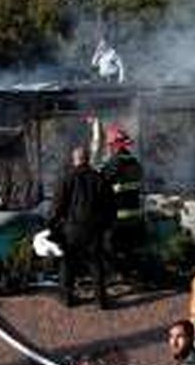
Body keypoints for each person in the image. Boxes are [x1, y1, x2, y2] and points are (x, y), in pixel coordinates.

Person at [50, 146, 116, 308]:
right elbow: (110, 206)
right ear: (88, 159)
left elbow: (58, 205)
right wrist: (106, 226)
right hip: (94, 229)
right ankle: (101, 300)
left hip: (71, 229)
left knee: (68, 263)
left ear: (75, 160)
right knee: (96, 263)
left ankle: (67, 298)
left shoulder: (66, 178)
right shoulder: (100, 179)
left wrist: (52, 225)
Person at [102, 124, 145, 282]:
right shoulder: (135, 163)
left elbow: (102, 183)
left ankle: (116, 275)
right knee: (130, 248)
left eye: (110, 145)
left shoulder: (114, 163)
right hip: (135, 213)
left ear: (115, 146)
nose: (109, 148)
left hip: (118, 215)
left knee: (109, 247)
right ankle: (131, 275)